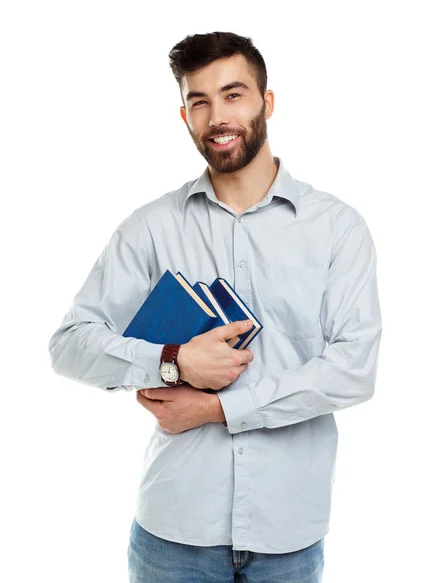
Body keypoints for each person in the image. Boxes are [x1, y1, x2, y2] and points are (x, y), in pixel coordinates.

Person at [48, 31, 382, 583]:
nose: (216, 116)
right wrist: (173, 359)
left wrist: (215, 409)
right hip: (173, 537)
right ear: (184, 116)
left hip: (289, 537)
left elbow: (353, 372)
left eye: (233, 95)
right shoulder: (151, 228)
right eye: (199, 101)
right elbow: (69, 346)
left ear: (266, 103)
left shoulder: (337, 229)